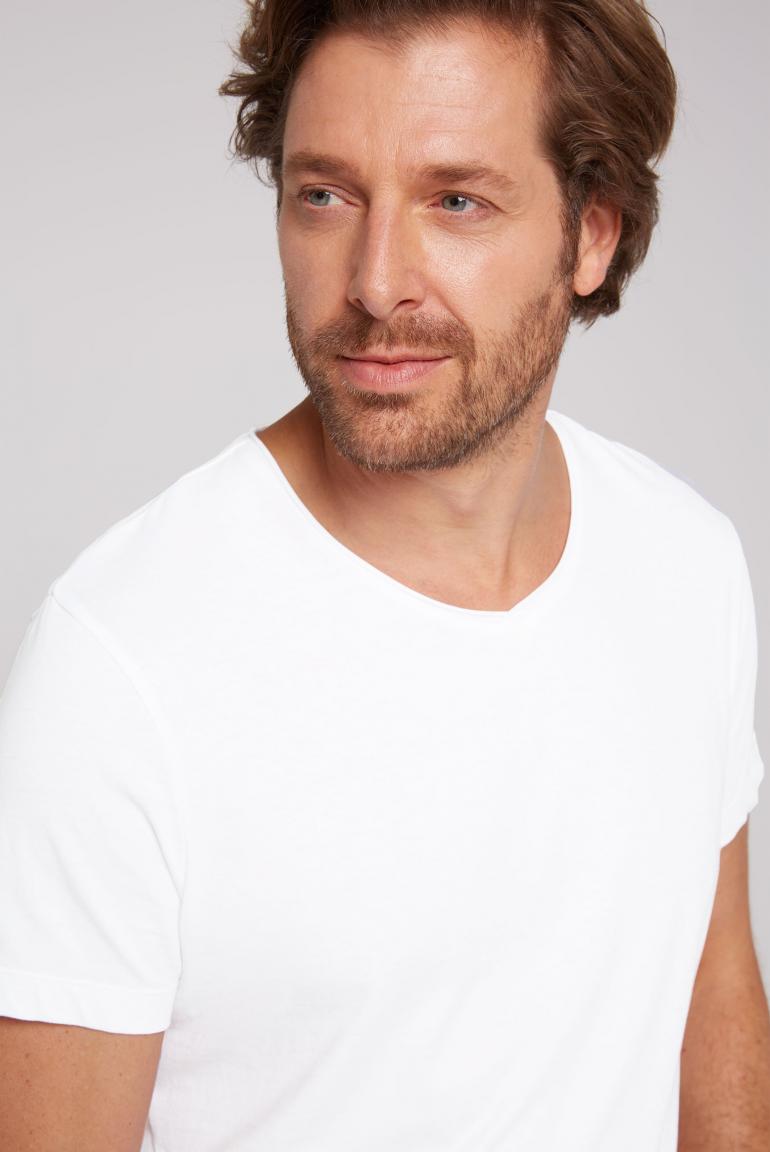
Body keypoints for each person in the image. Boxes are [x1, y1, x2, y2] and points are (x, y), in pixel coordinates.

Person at [0, 0, 768, 1148]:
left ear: (590, 236)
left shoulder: (684, 562)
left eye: (454, 201)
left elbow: (712, 1004)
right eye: (325, 195)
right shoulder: (121, 664)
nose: (372, 282)